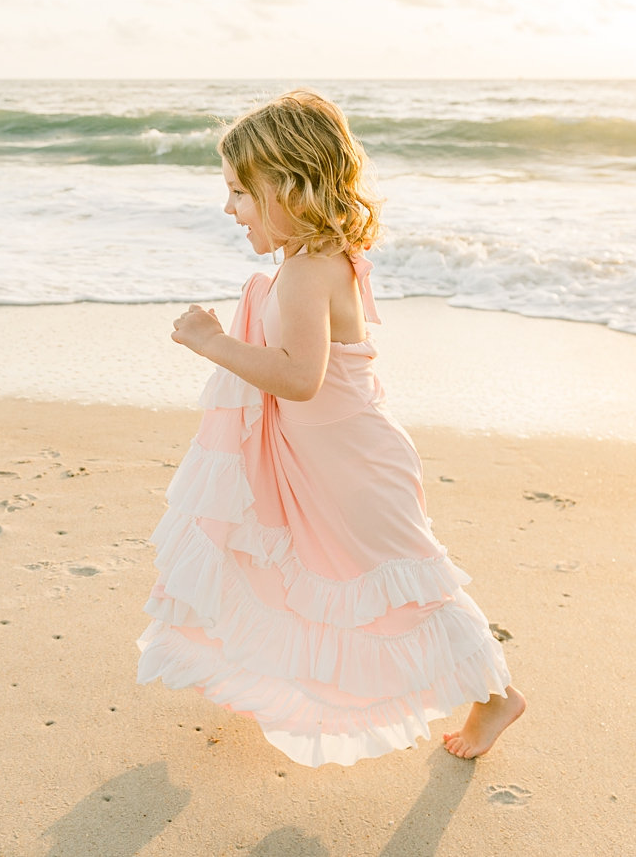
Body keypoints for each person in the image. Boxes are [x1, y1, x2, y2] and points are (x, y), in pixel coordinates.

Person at [136, 89, 525, 766]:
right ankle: (270, 676)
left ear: (287, 187)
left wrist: (209, 341)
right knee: (315, 579)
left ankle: (497, 694)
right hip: (326, 463)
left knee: (412, 589)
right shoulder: (310, 261)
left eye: (239, 193)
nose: (229, 209)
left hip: (356, 470)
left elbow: (299, 377)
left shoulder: (308, 271)